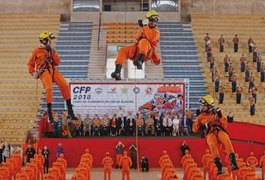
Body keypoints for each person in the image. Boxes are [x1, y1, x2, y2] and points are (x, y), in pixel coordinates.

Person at [27, 31, 77, 123]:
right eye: (50, 40)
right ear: (44, 40)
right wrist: (33, 73)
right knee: (49, 89)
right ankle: (50, 114)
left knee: (65, 85)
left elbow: (57, 62)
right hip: (44, 71)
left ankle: (70, 111)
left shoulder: (52, 50)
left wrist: (53, 52)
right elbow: (30, 64)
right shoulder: (36, 51)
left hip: (53, 70)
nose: (51, 42)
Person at [192, 95, 239, 175]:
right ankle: (219, 167)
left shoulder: (217, 113)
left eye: (203, 105)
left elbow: (225, 125)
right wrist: (203, 126)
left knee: (226, 140)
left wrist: (220, 116)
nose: (201, 107)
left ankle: (233, 163)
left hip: (220, 131)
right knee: (212, 145)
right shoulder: (200, 116)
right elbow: (194, 128)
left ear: (209, 106)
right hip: (210, 133)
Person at [111, 10, 160, 80]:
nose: (152, 22)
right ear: (147, 20)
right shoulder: (144, 28)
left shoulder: (156, 31)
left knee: (144, 41)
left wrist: (145, 26)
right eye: (150, 20)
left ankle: (140, 61)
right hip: (138, 49)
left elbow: (150, 37)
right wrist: (143, 27)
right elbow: (137, 37)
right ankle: (117, 72)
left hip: (148, 52)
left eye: (154, 21)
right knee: (122, 50)